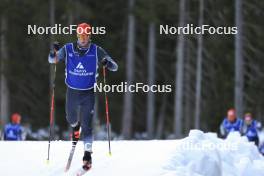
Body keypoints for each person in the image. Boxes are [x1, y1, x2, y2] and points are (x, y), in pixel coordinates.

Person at [48, 23, 118, 171]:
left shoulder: (96, 50)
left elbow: (114, 66)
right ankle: (75, 128)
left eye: (86, 35)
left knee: (87, 125)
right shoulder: (68, 48)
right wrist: (53, 53)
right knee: (71, 118)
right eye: (81, 36)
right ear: (77, 36)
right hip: (72, 92)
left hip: (88, 93)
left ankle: (87, 156)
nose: (83, 39)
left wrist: (107, 63)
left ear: (89, 36)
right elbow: (51, 60)